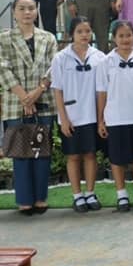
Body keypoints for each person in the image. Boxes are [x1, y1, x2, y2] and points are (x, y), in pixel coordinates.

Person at [0, 0, 57, 215]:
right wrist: (24, 97)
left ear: (37, 11)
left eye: (31, 8)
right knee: (21, 152)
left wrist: (37, 92)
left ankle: (41, 198)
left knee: (41, 152)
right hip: (15, 103)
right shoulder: (4, 38)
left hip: (43, 100)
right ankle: (24, 200)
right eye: (22, 8)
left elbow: (53, 67)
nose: (27, 12)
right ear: (14, 12)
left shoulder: (48, 38)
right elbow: (3, 69)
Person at [96, 21, 133, 212]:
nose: (125, 39)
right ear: (114, 38)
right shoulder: (106, 62)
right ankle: (121, 194)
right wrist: (101, 119)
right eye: (120, 36)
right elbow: (102, 92)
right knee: (117, 158)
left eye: (128, 35)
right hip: (115, 117)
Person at [51, 16, 107, 213]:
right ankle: (77, 195)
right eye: (80, 31)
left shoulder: (99, 57)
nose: (84, 35)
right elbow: (57, 90)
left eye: (87, 31)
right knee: (73, 156)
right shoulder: (60, 58)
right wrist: (64, 119)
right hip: (71, 116)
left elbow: (102, 90)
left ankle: (90, 193)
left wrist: (101, 119)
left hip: (91, 114)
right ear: (71, 34)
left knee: (90, 154)